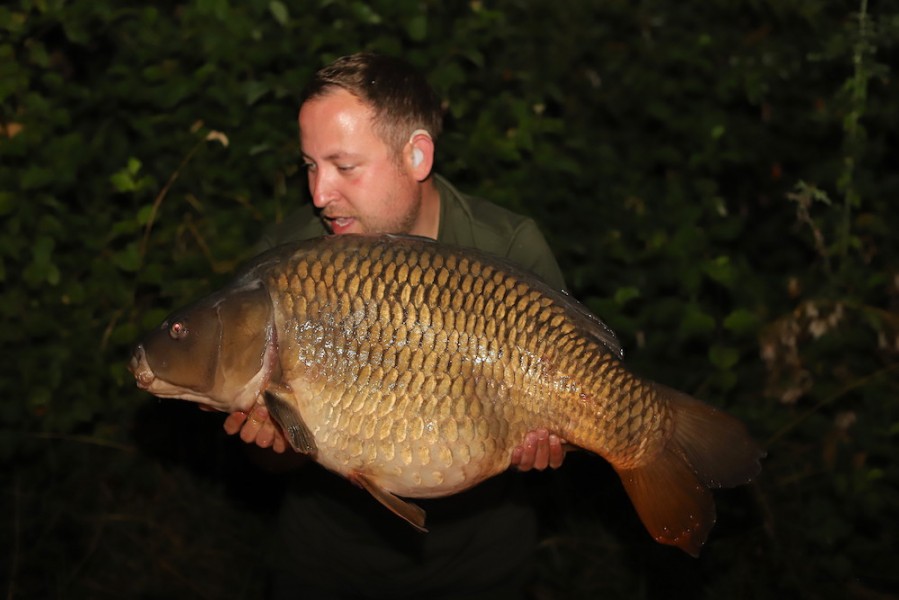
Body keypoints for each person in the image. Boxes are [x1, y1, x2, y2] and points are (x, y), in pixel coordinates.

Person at [224, 52, 568, 600]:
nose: (319, 194)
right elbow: (265, 463)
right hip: (323, 564)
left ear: (416, 154)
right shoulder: (285, 263)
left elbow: (567, 408)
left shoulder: (506, 247)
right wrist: (274, 440)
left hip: (480, 566)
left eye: (345, 166)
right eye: (310, 166)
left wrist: (555, 443)